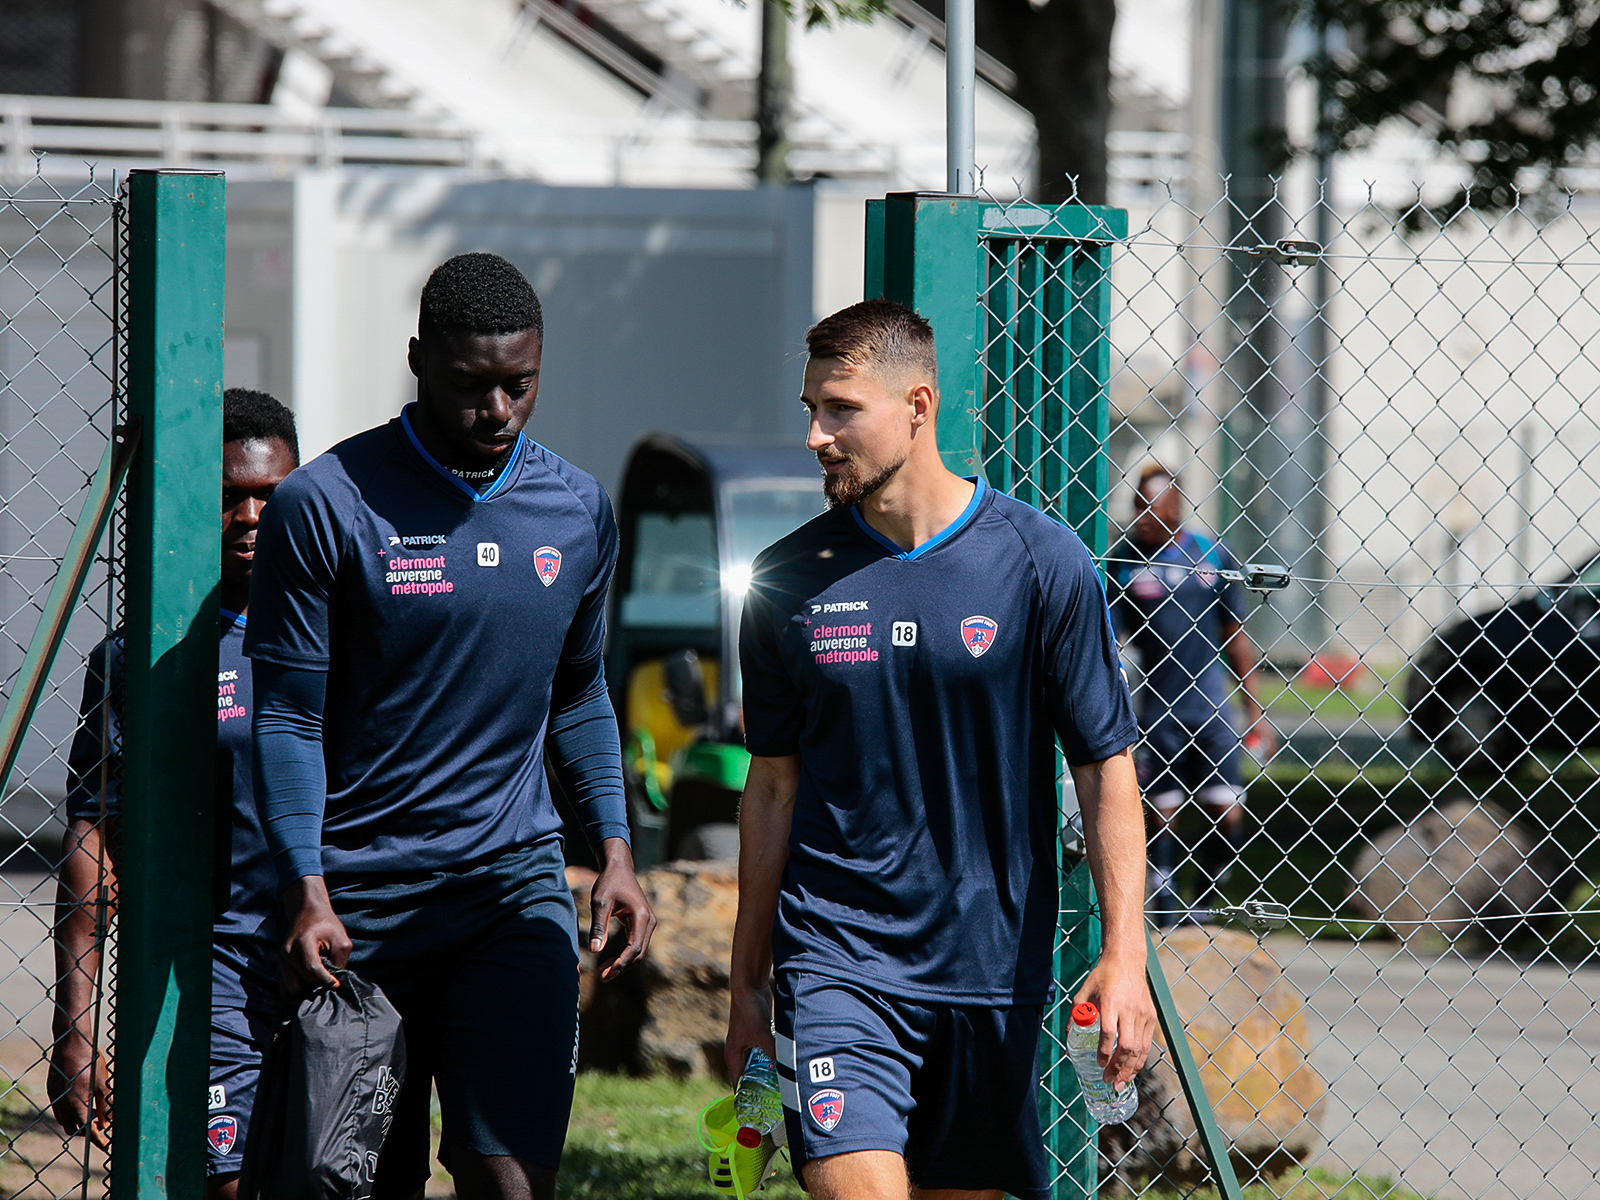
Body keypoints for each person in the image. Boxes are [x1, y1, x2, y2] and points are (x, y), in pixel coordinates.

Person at [244, 252, 655, 1200]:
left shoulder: (579, 508)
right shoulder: (328, 505)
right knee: (353, 1185)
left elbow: (581, 696)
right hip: (359, 911)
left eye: (521, 384)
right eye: (472, 386)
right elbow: (288, 717)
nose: (499, 410)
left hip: (509, 894)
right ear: (419, 359)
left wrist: (617, 848)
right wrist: (306, 885)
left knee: (509, 1180)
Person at [724, 299, 1155, 1200]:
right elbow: (771, 789)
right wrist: (748, 981)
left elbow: (1106, 766)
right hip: (837, 956)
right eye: (810, 408)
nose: (815, 435)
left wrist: (1125, 956)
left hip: (991, 971)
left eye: (841, 409)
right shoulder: (784, 580)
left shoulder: (1042, 562)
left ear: (917, 407)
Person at [51, 388, 300, 1196]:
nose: (252, 517)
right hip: (218, 969)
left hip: (337, 960)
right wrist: (75, 1029)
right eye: (231, 496)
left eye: (271, 496)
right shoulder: (138, 658)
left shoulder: (349, 632)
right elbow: (93, 833)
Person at [1106, 462, 1275, 927]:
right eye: (1137, 506)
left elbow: (1236, 635)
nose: (1141, 516)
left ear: (1176, 508)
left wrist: (1253, 711)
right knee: (1162, 809)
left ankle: (1208, 886)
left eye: (1151, 507)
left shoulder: (1211, 556)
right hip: (1157, 708)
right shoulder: (1122, 563)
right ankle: (1166, 896)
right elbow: (1112, 641)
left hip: (1211, 706)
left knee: (1227, 808)